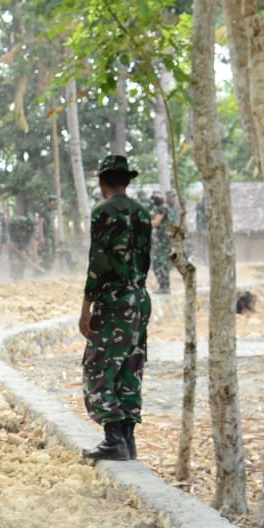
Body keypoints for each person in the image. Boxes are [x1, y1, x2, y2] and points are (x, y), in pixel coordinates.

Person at [80, 155, 152, 462]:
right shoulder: (143, 213)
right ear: (126, 180)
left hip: (114, 301)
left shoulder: (103, 212)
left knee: (98, 365)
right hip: (140, 297)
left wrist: (86, 307)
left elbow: (98, 262)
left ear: (101, 181)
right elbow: (146, 259)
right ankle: (127, 440)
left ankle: (112, 439)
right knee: (130, 366)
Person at [149, 191, 173, 294]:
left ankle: (165, 286)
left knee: (161, 262)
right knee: (157, 262)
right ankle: (163, 285)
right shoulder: (157, 208)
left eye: (157, 197)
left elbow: (155, 222)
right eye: (153, 198)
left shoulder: (163, 207)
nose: (155, 199)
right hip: (159, 239)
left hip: (164, 240)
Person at [7, 213, 35, 279]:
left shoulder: (31, 228)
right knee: (14, 261)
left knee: (23, 259)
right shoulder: (15, 223)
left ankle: (21, 276)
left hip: (21, 242)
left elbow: (27, 240)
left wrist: (23, 250)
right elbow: (8, 232)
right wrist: (8, 241)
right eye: (28, 226)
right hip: (13, 241)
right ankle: (14, 277)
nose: (29, 228)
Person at [37, 196, 60, 271]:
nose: (55, 205)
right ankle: (46, 268)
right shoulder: (43, 211)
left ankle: (50, 269)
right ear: (49, 203)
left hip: (52, 234)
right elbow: (40, 224)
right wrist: (41, 237)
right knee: (48, 252)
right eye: (54, 204)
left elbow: (55, 225)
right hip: (46, 235)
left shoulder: (53, 212)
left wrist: (56, 238)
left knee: (53, 253)